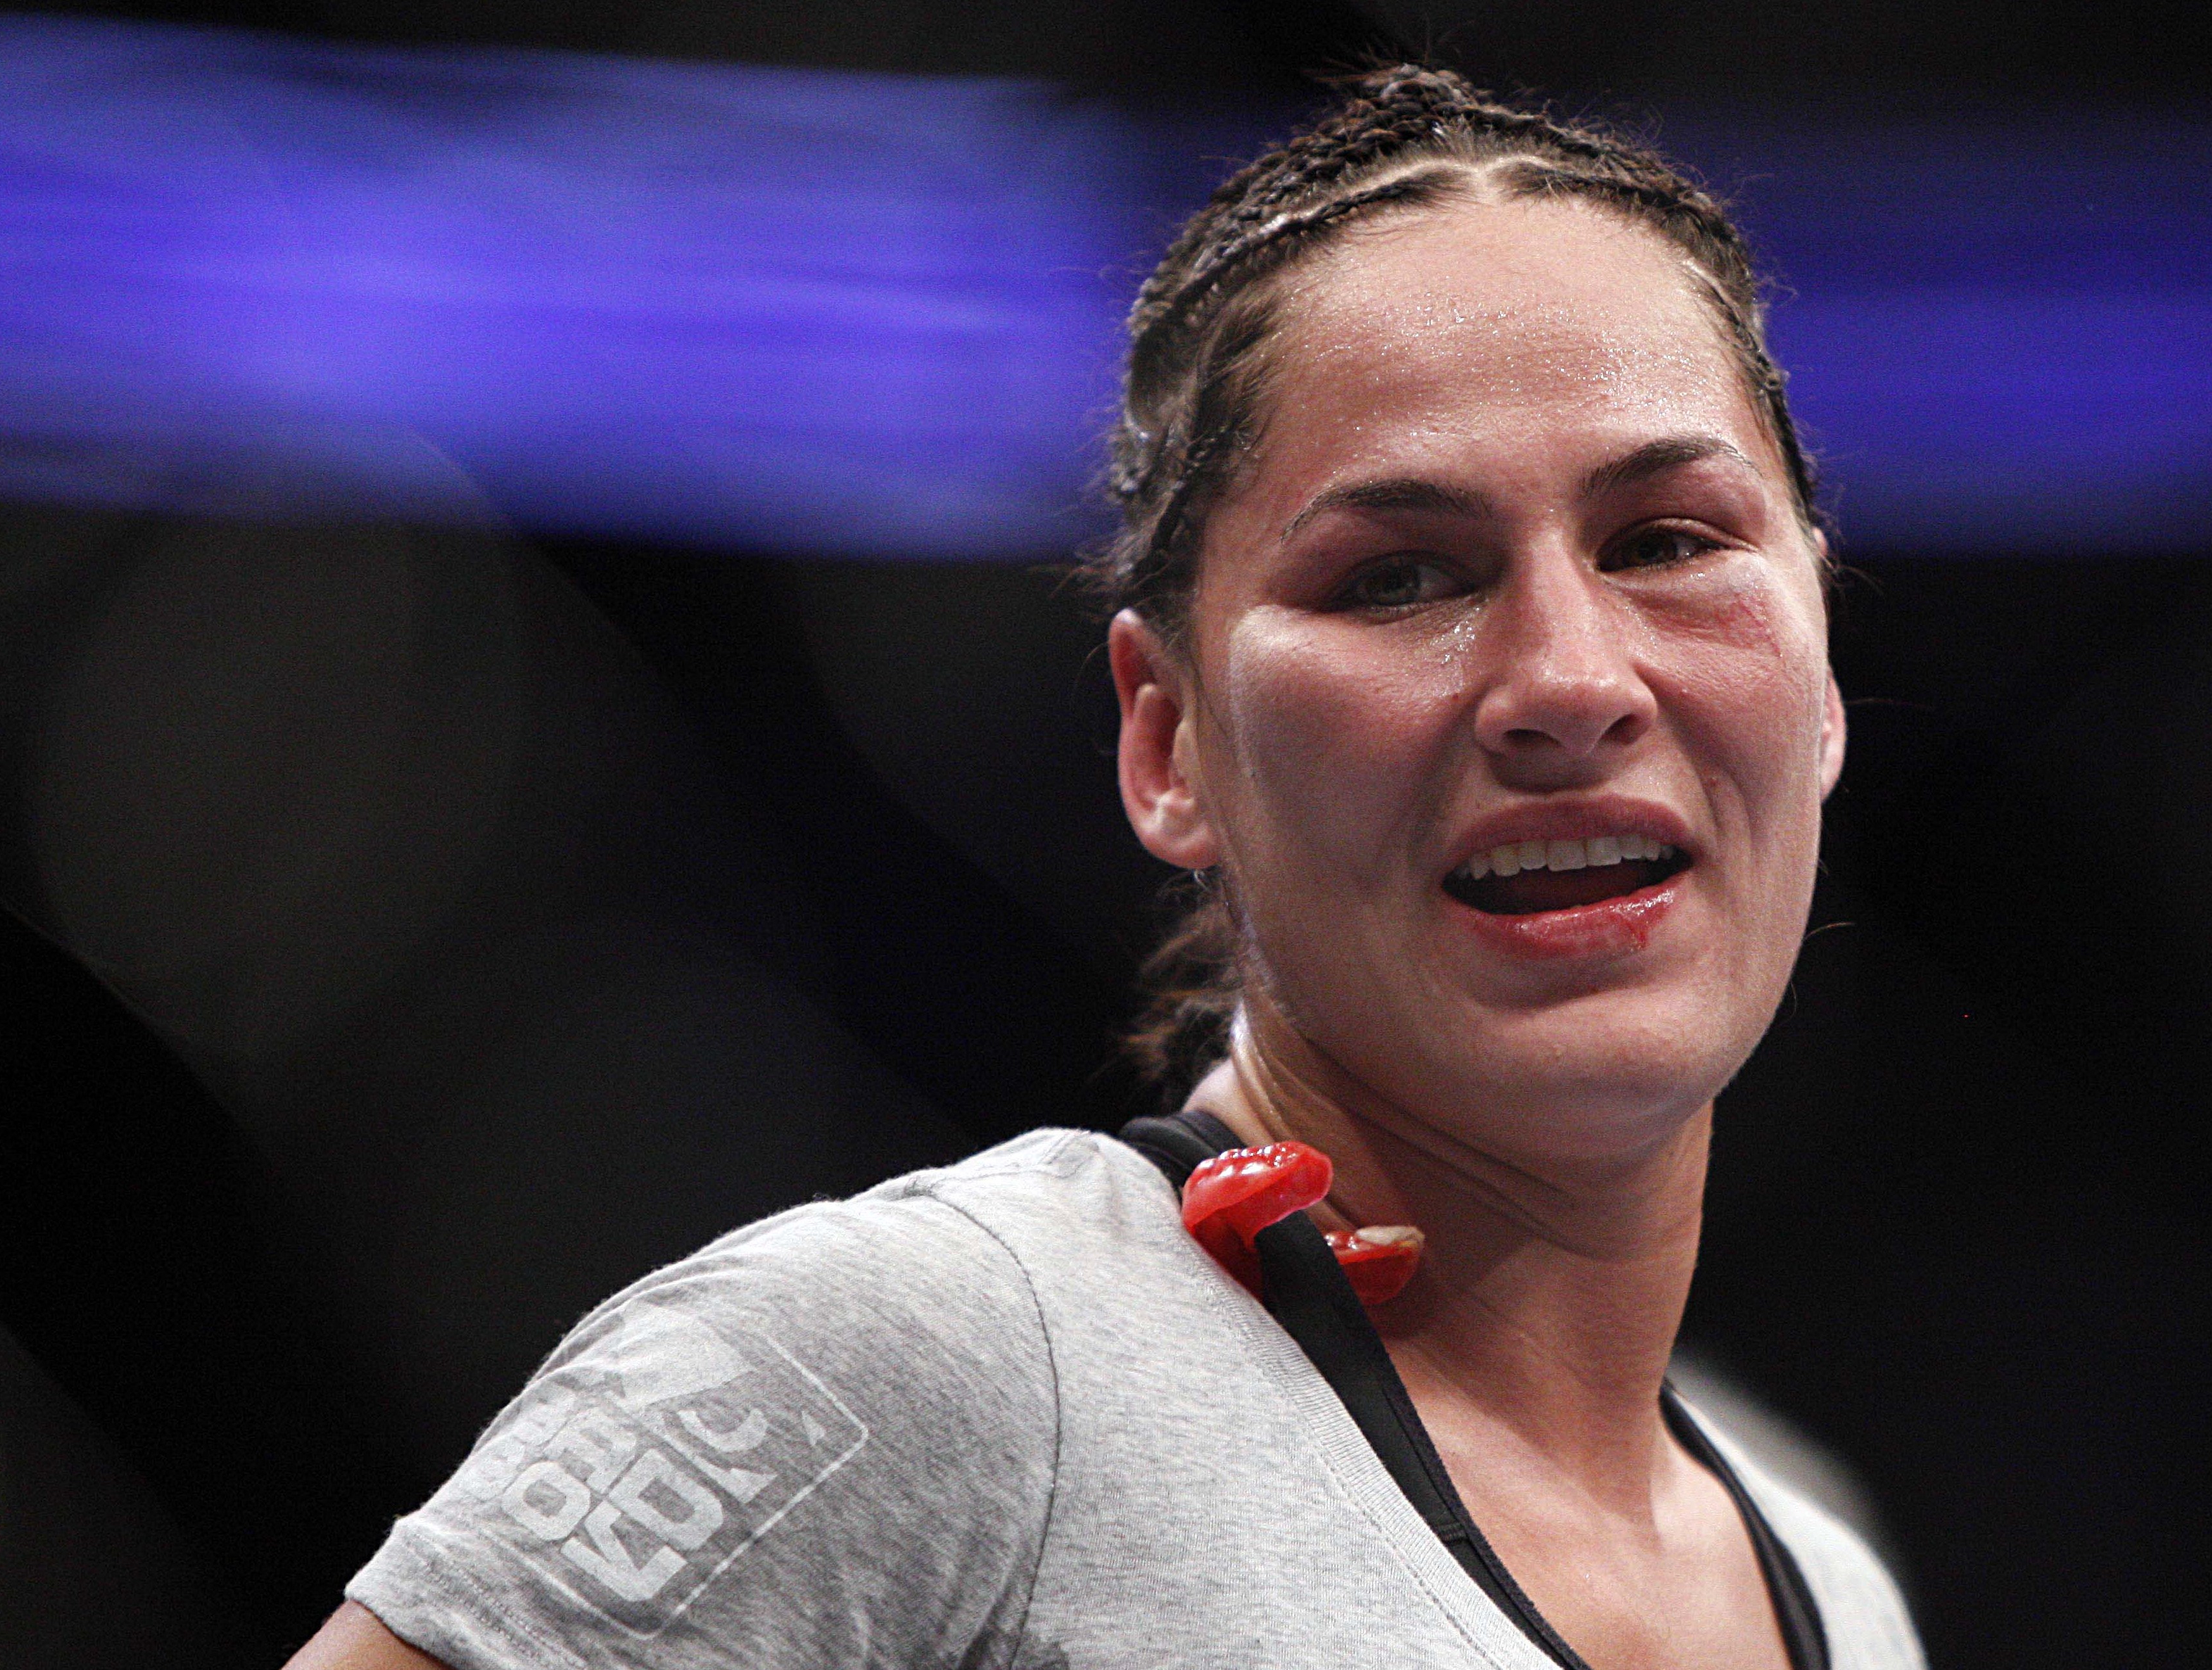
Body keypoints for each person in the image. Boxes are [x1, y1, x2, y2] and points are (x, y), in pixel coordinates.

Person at [291, 66, 1922, 1670]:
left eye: (1666, 543)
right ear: (1170, 741)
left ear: (1824, 672)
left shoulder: (1830, 1593)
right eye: (1399, 574)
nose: (1571, 681)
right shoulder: (943, 1358)